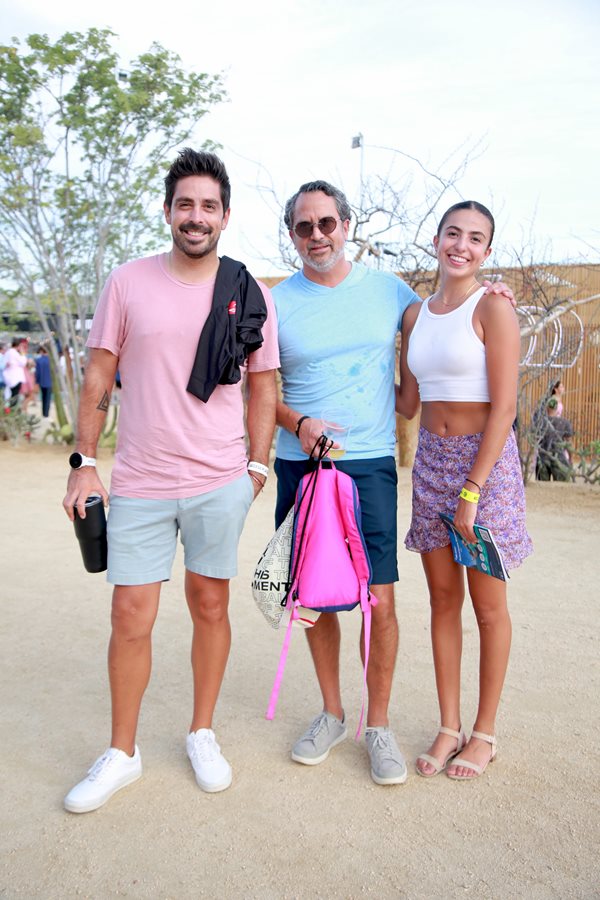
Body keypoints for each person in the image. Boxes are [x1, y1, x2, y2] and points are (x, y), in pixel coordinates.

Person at [273, 181, 515, 786]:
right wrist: (300, 421)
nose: (317, 234)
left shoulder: (396, 293)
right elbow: (260, 390)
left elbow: (486, 386)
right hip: (332, 462)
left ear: (346, 225)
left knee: (390, 598)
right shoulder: (281, 303)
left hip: (394, 465)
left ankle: (400, 727)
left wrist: (496, 295)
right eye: (304, 226)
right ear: (293, 235)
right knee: (324, 597)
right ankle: (345, 714)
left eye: (327, 222)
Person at [62, 149, 279, 813]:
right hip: (141, 480)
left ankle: (201, 732)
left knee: (210, 605)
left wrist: (257, 467)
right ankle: (122, 752)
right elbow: (99, 376)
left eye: (208, 206)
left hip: (219, 478)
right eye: (185, 204)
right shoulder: (127, 282)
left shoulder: (247, 290)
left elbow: (265, 384)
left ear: (225, 216)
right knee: (130, 614)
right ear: (167, 211)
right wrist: (83, 463)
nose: (196, 216)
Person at [396, 200, 533, 780]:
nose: (462, 245)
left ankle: (485, 733)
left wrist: (473, 490)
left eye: (475, 238)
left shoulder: (493, 307)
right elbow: (408, 402)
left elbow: (504, 407)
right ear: (436, 240)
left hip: (485, 469)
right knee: (442, 600)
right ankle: (449, 726)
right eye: (453, 233)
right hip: (431, 463)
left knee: (488, 606)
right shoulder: (414, 316)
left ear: (487, 252)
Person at [536, 396, 573, 481]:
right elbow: (569, 443)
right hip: (559, 458)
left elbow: (535, 441)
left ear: (547, 408)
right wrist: (570, 458)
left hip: (542, 458)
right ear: (557, 409)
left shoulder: (540, 423)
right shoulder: (565, 423)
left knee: (542, 486)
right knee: (563, 485)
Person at [3, 337, 28, 407]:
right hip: (16, 378)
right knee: (14, 396)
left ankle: (8, 408)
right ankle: (11, 409)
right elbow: (23, 362)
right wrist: (23, 353)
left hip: (9, 377)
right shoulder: (15, 353)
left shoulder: (8, 352)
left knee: (9, 395)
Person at [35, 345, 53, 418]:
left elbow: (37, 373)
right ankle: (46, 414)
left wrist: (37, 382)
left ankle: (43, 413)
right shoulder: (51, 360)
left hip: (42, 381)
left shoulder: (38, 360)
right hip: (50, 381)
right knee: (48, 398)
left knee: (43, 397)